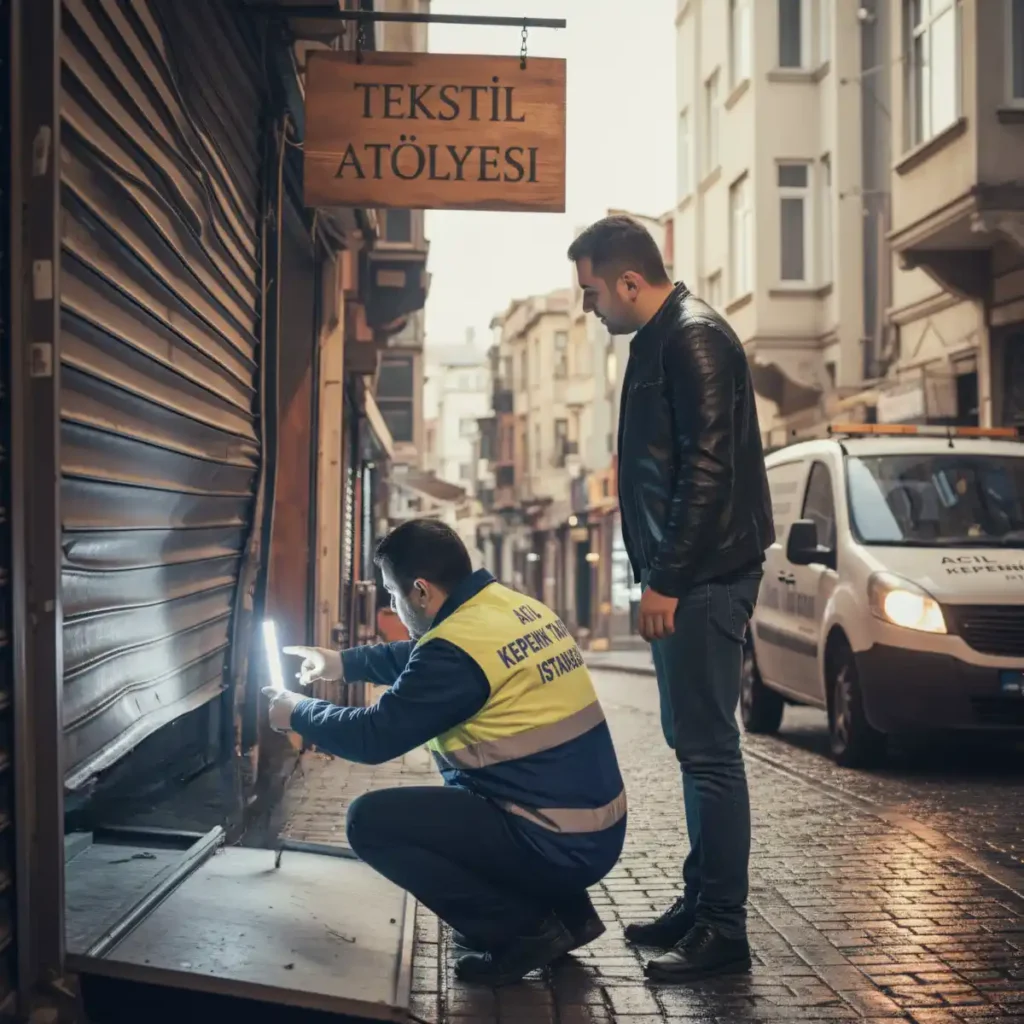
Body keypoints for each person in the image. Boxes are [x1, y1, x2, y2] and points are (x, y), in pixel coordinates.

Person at [263, 518, 626, 987]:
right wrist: (340, 663)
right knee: (470, 804)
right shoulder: (508, 608)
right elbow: (423, 656)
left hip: (555, 842)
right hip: (592, 829)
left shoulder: (454, 651)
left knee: (371, 822)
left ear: (420, 591)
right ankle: (571, 914)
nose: (393, 606)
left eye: (392, 594)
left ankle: (522, 932)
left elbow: (374, 736)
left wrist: (297, 712)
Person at [567, 216, 775, 983]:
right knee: (693, 746)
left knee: (710, 751)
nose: (588, 306)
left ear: (629, 281)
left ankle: (723, 927)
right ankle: (700, 903)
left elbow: (708, 470)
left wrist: (667, 580)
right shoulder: (658, 340)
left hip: (705, 577)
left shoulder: (694, 339)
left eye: (592, 291)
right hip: (690, 574)